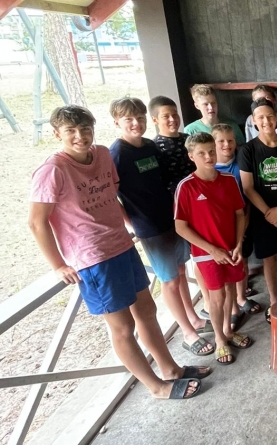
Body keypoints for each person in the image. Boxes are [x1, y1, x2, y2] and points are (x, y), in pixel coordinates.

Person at [28, 106, 208, 400]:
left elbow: (113, 195)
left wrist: (128, 225)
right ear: (57, 134)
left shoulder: (101, 154)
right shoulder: (53, 170)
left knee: (147, 312)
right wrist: (58, 265)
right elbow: (37, 222)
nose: (80, 136)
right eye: (71, 131)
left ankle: (171, 370)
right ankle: (156, 386)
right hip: (92, 257)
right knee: (123, 327)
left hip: (122, 244)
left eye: (85, 129)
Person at [109, 96, 214, 357]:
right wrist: (131, 223)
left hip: (171, 218)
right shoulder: (118, 153)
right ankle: (187, 333)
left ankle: (193, 318)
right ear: (117, 123)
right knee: (169, 281)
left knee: (181, 271)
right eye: (129, 119)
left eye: (140, 118)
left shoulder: (149, 146)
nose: (136, 123)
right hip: (149, 227)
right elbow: (111, 195)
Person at [175, 132, 254, 365]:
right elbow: (180, 227)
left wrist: (238, 244)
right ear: (191, 156)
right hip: (205, 254)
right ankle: (220, 339)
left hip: (230, 248)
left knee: (230, 291)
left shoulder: (229, 180)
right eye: (201, 153)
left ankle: (228, 330)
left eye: (211, 151)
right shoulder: (186, 186)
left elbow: (239, 214)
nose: (208, 156)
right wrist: (212, 250)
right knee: (216, 296)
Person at [238, 100, 277, 317]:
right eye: (261, 117)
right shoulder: (247, 150)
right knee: (269, 258)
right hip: (262, 215)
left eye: (270, 116)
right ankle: (274, 301)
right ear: (254, 121)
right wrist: (270, 213)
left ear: (276, 118)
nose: (266, 121)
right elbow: (248, 188)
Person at [213, 123, 261, 321]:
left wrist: (244, 224)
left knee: (243, 260)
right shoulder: (210, 168)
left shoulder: (242, 164)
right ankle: (232, 306)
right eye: (221, 141)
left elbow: (247, 197)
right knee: (226, 265)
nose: (227, 145)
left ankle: (241, 297)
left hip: (243, 221)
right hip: (220, 227)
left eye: (230, 140)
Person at [150, 95, 194, 195]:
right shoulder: (154, 146)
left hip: (197, 191)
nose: (172, 119)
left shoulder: (189, 139)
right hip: (174, 197)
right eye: (166, 116)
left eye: (175, 114)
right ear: (155, 120)